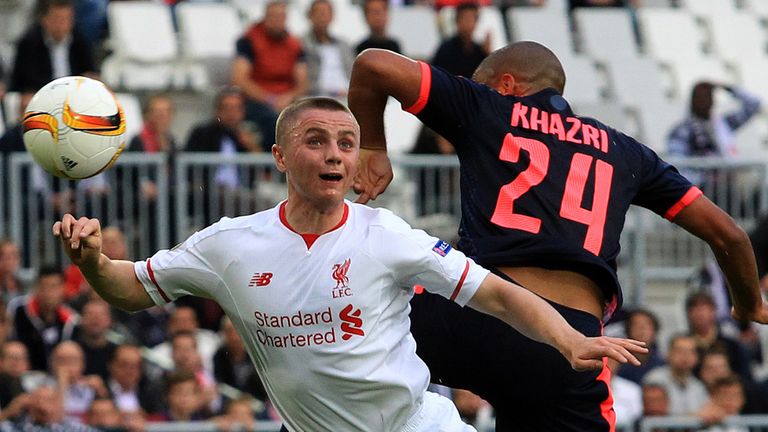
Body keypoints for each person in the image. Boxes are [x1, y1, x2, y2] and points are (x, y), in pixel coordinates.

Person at [53, 97, 646, 432]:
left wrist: (567, 339)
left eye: (346, 142)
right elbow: (130, 288)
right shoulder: (229, 245)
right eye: (316, 140)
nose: (335, 154)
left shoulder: (385, 235)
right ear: (281, 155)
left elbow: (496, 293)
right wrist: (93, 260)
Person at [347, 42, 768, 431]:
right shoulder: (625, 151)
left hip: (479, 314)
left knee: (338, 337)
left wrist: (372, 146)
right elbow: (729, 234)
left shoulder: (488, 107)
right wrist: (748, 303)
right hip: (573, 344)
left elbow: (373, 65)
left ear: (505, 84)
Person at [231, 0, 308, 151]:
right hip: (257, 100)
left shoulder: (295, 44)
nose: (278, 21)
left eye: (281, 17)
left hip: (286, 99)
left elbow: (303, 82)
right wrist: (269, 99)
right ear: (265, 17)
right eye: (273, 17)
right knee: (275, 121)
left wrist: (289, 96)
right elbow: (240, 78)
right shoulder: (249, 41)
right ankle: (272, 167)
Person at [9, 0, 97, 92]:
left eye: (66, 19)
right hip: (42, 93)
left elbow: (89, 70)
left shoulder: (79, 40)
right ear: (44, 20)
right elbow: (22, 80)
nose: (62, 25)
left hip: (74, 93)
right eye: (57, 19)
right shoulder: (29, 43)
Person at [7, 264, 78, 371]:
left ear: (63, 288)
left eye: (54, 287)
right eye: (44, 286)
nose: (49, 292)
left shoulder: (71, 319)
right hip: (22, 374)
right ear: (37, 287)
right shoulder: (18, 309)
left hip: (57, 378)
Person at [643, 335, 708, 416]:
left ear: (696, 358)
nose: (685, 356)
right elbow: (655, 413)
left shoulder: (698, 386)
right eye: (680, 351)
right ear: (668, 354)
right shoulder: (654, 379)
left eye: (691, 352)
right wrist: (696, 416)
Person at [302, 0, 355, 99]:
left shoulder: (344, 45)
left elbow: (354, 74)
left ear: (332, 16)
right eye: (318, 13)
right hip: (316, 97)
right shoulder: (302, 44)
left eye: (325, 13)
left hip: (346, 95)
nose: (322, 17)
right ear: (310, 16)